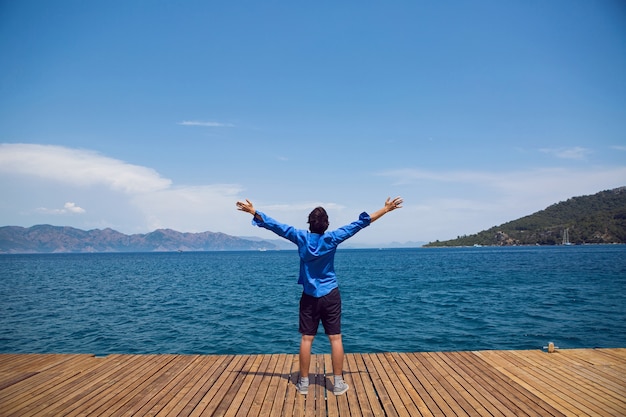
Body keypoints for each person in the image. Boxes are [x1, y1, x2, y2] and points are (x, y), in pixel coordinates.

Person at [236, 196, 403, 396]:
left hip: (309, 295)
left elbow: (276, 226)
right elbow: (360, 223)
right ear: (326, 224)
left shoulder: (300, 237)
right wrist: (385, 209)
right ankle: (338, 384)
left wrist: (254, 212)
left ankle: (304, 383)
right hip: (331, 293)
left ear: (309, 223)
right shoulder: (332, 238)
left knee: (307, 339)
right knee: (335, 338)